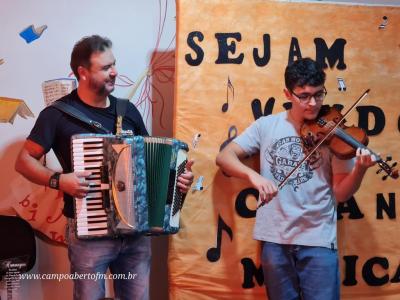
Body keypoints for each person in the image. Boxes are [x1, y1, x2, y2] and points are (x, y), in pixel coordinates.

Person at [15, 35, 194, 300]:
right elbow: (23, 161)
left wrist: (177, 179)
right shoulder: (57, 115)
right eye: (105, 67)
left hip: (136, 232)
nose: (115, 72)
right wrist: (59, 180)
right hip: (89, 233)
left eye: (114, 64)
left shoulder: (128, 111)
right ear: (83, 73)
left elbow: (150, 163)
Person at [216, 58, 376, 300]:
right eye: (303, 96)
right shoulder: (266, 126)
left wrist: (360, 170)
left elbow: (341, 194)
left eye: (318, 94)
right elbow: (225, 157)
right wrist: (254, 177)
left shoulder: (336, 133)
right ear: (287, 93)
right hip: (274, 239)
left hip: (318, 239)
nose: (312, 103)